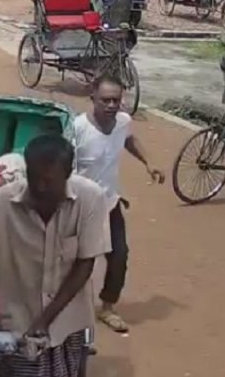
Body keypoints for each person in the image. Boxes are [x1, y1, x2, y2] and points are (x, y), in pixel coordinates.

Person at [0, 135, 111, 377]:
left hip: (67, 324)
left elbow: (84, 265)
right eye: (34, 178)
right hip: (17, 325)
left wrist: (45, 320)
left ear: (67, 174)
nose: (41, 187)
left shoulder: (91, 199)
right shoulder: (2, 202)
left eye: (49, 181)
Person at [73, 75, 163, 333]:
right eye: (106, 100)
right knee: (78, 259)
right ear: (93, 98)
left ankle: (107, 307)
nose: (112, 105)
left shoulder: (123, 122)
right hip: (80, 206)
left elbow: (128, 140)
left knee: (119, 255)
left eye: (116, 100)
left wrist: (148, 162)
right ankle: (70, 308)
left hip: (110, 202)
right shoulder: (78, 128)